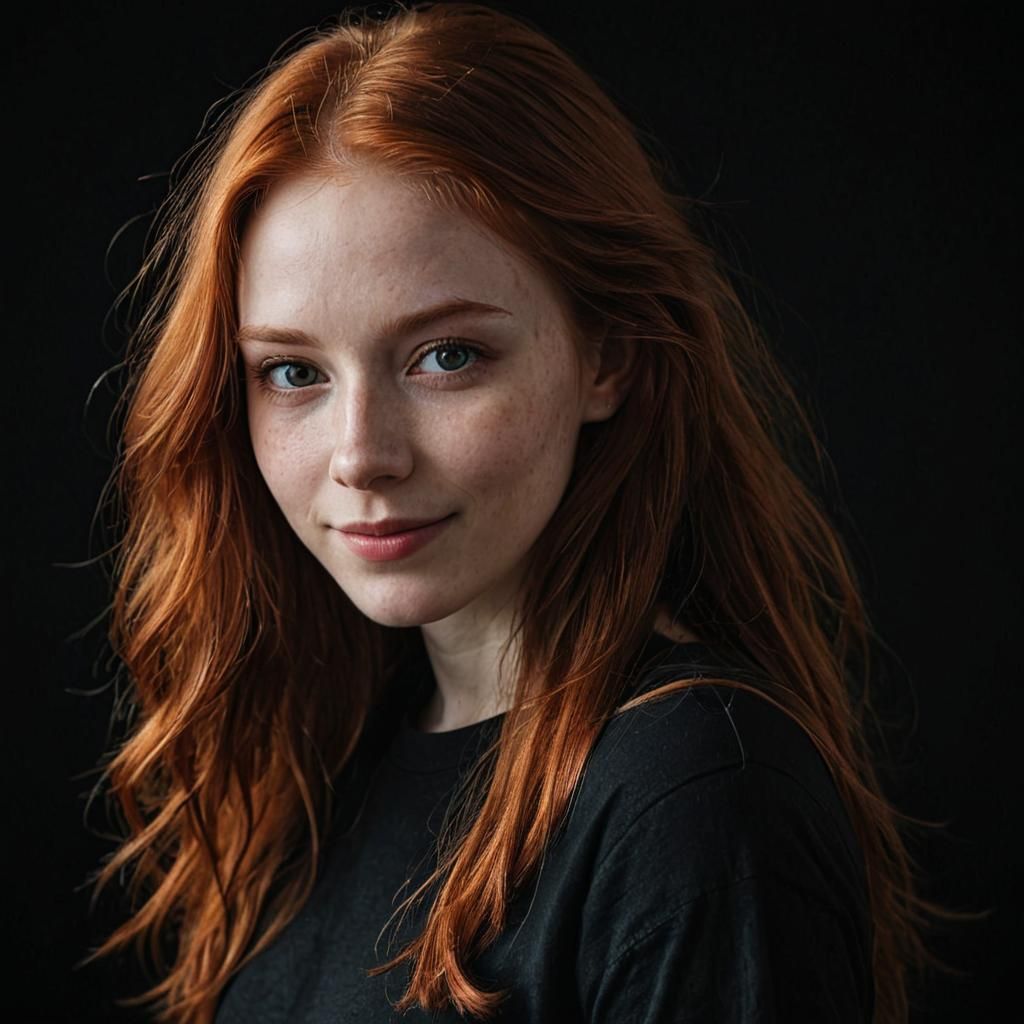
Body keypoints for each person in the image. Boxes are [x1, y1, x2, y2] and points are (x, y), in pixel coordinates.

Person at [83, 3, 955, 1022]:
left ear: (608, 355)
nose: (362, 454)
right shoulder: (329, 758)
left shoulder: (696, 794)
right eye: (292, 371)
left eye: (447, 355)